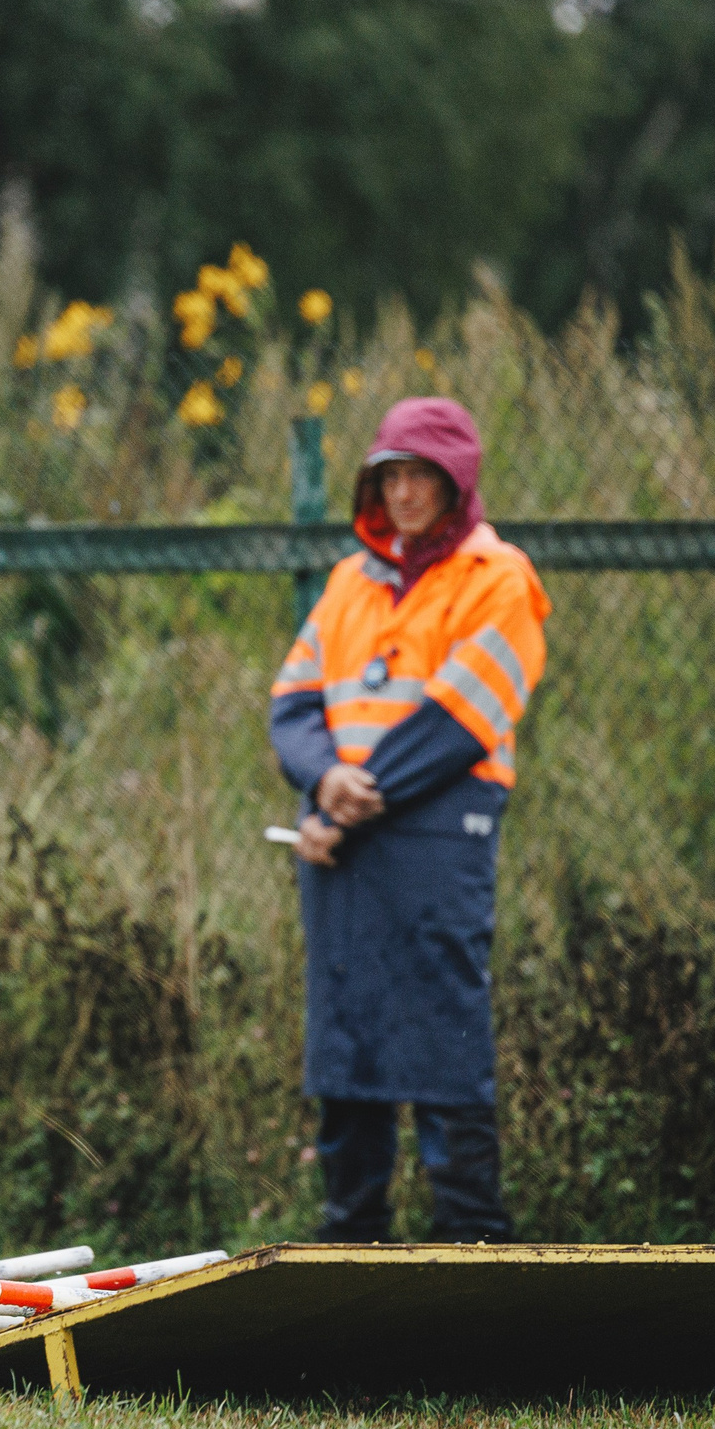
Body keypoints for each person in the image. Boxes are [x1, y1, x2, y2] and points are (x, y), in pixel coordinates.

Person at [268, 397, 550, 1243]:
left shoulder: (499, 577)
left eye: (420, 474)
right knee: (344, 1048)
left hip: (435, 832)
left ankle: (476, 1248)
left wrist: (341, 806)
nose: (403, 492)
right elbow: (291, 703)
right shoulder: (350, 582)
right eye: (390, 475)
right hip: (341, 834)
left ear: (454, 482)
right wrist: (324, 783)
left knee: (443, 1039)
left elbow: (461, 718)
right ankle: (348, 1252)